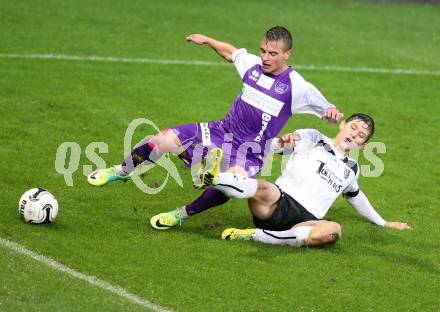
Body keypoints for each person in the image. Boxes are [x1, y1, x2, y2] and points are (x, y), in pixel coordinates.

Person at [86, 26, 343, 229]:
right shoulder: (253, 66)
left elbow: (328, 111)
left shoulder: (297, 86)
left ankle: (180, 214)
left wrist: (331, 113)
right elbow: (231, 52)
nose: (265, 57)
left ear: (287, 54)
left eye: (272, 54)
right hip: (220, 130)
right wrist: (208, 40)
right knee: (162, 139)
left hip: (250, 151)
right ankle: (121, 171)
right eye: (263, 50)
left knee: (229, 183)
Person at [200, 113, 410, 247]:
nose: (354, 135)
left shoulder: (352, 169)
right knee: (264, 186)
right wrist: (282, 142)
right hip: (276, 203)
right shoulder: (314, 137)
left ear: (362, 145)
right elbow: (271, 147)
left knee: (333, 230)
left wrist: (384, 222)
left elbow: (355, 196)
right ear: (343, 125)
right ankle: (213, 177)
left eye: (361, 135)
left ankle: (254, 236)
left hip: (306, 220)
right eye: (353, 128)